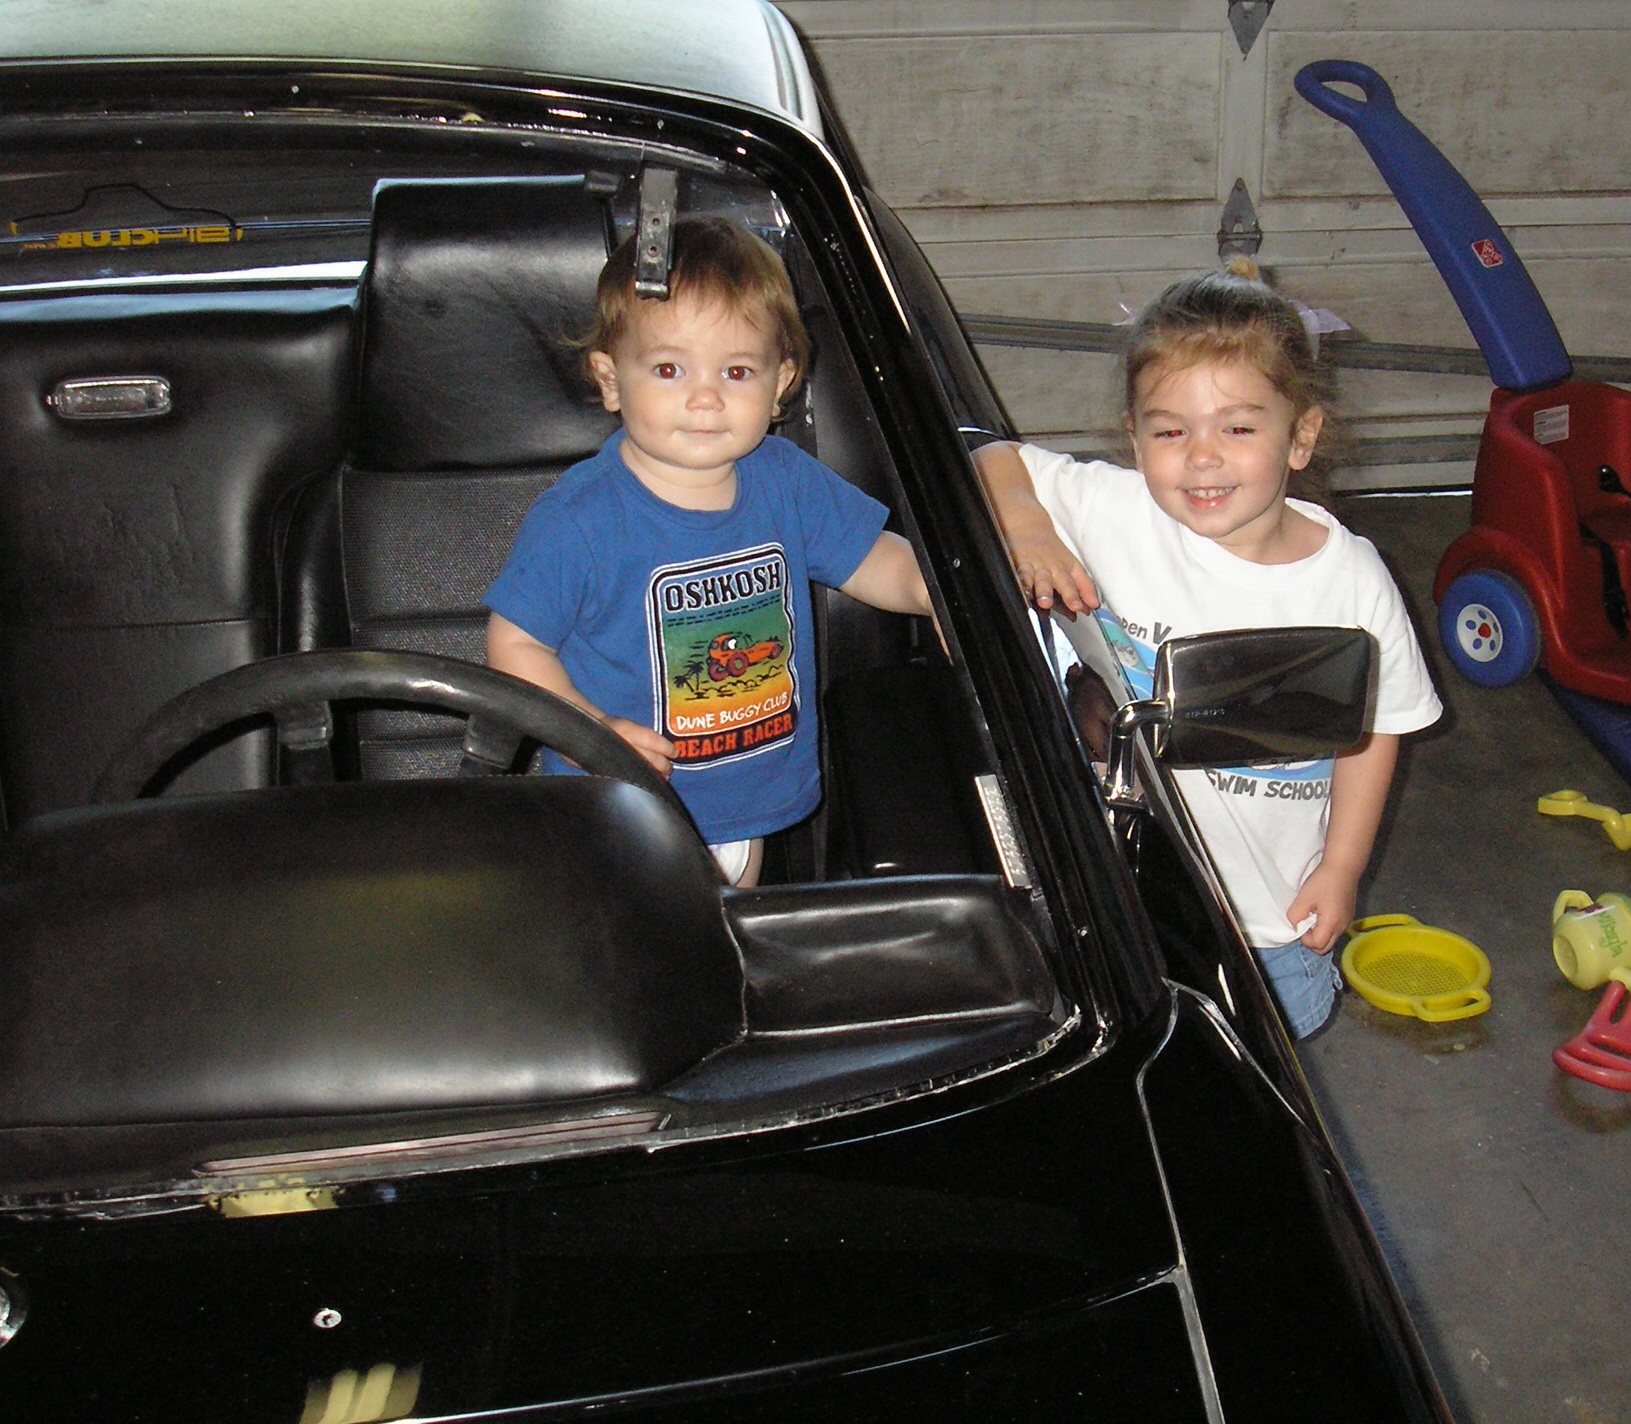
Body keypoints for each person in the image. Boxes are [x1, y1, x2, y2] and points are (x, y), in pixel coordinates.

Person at [973, 263, 1440, 1037]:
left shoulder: (1350, 581)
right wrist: (1027, 527)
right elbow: (991, 458)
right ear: (1134, 437)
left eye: (1238, 428)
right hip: (1121, 886)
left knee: (1261, 1066)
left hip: (1265, 914)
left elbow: (1376, 728)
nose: (1201, 457)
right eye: (1170, 431)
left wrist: (1343, 867)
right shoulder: (1118, 511)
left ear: (1301, 437)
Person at [485, 215, 930, 886]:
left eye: (737, 371)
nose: (705, 397)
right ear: (611, 379)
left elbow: (875, 560)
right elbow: (515, 644)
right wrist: (588, 732)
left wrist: (940, 594)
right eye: (669, 368)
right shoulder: (581, 518)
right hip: (618, 804)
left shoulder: (786, 480)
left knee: (725, 937)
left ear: (780, 384)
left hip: (747, 800)